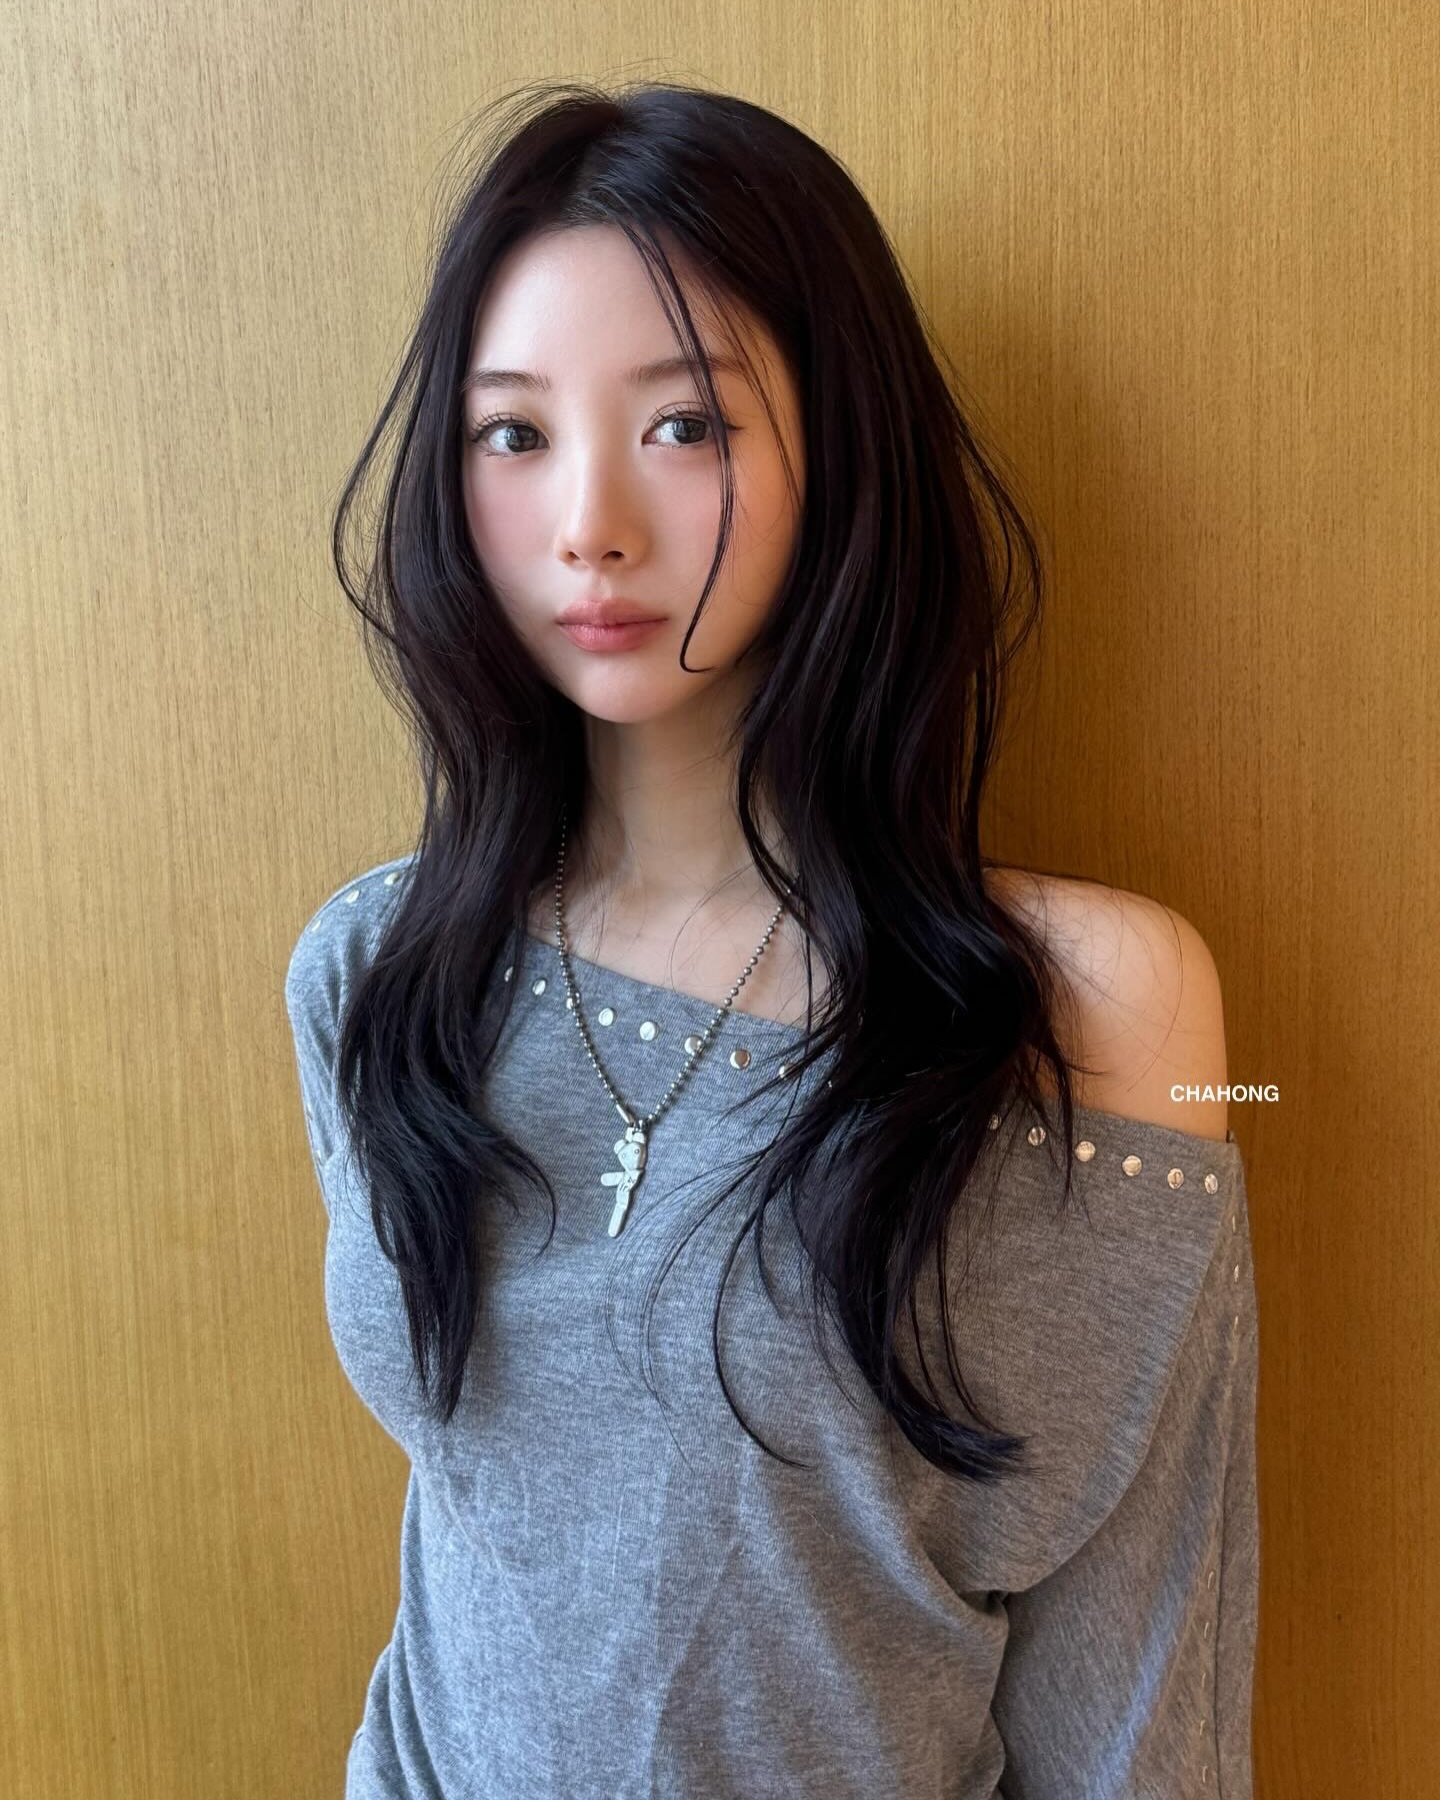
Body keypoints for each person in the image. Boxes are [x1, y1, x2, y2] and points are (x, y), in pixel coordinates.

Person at [285, 78, 1259, 1800]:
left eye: (684, 425)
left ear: (841, 446)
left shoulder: (1093, 1013)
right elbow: (493, 1537)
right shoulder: (380, 970)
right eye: (513, 435)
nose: (588, 522)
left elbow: (1140, 1715)